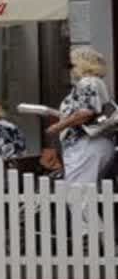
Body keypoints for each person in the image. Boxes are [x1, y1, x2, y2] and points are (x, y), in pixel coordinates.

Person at [47, 46, 115, 183]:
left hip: (85, 144)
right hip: (95, 143)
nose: (70, 69)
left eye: (71, 64)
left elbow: (85, 112)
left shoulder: (87, 82)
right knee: (85, 194)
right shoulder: (96, 82)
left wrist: (58, 126)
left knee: (78, 196)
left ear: (82, 64)